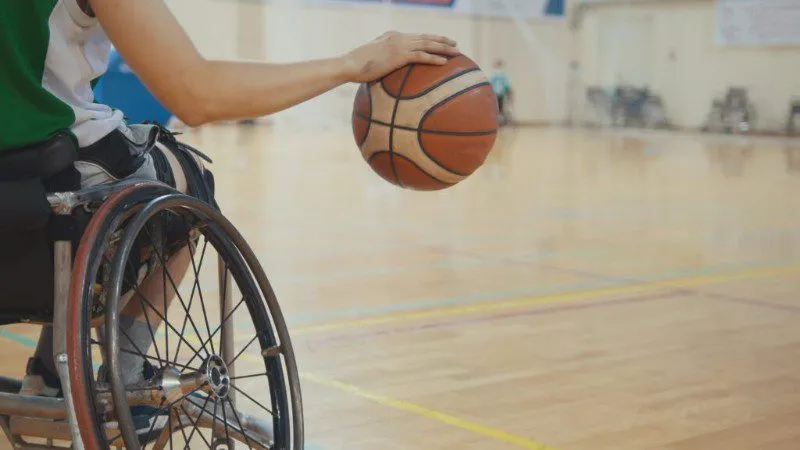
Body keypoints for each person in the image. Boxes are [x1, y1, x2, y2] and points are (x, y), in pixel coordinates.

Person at [0, 0, 459, 399]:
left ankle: (52, 370)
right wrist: (350, 64)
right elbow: (197, 94)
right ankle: (124, 376)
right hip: (44, 200)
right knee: (185, 177)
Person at [489, 59, 513, 125]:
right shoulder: (493, 76)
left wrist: (508, 92)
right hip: (495, 94)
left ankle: (501, 121)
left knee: (501, 108)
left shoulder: (503, 76)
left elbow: (506, 85)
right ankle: (497, 121)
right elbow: (490, 84)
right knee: (496, 108)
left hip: (501, 94)